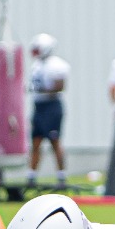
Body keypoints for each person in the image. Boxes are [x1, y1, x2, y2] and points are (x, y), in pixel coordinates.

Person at [27, 33, 71, 187]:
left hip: (51, 107)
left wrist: (39, 90)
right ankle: (31, 176)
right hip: (39, 107)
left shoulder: (57, 65)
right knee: (35, 141)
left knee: (55, 141)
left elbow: (59, 87)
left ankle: (61, 176)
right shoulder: (37, 65)